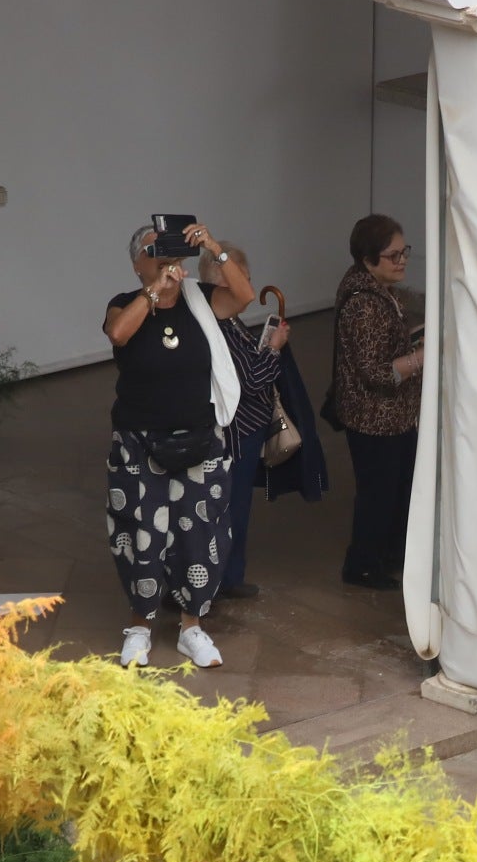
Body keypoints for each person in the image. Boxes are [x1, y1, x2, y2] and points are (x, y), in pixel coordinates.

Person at [102, 219, 255, 669]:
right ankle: (140, 627)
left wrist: (214, 249)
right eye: (155, 251)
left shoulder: (201, 302)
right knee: (140, 533)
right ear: (137, 265)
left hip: (199, 441)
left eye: (171, 251)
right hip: (139, 441)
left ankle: (192, 628)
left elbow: (244, 297)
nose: (167, 259)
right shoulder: (123, 304)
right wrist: (154, 293)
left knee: (199, 533)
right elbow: (118, 334)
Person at [197, 241, 303, 603]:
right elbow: (252, 379)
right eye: (243, 277)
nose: (250, 284)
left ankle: (226, 576)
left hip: (242, 431)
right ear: (223, 282)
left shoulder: (223, 318)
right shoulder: (221, 324)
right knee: (231, 509)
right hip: (238, 433)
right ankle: (223, 580)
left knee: (231, 507)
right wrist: (274, 347)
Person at [329, 214, 424, 589]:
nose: (402, 261)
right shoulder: (363, 304)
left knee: (398, 487)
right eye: (393, 255)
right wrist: (423, 356)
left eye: (405, 252)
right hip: (375, 419)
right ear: (368, 260)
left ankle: (391, 554)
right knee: (378, 495)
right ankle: (363, 565)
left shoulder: (375, 288)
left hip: (392, 416)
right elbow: (377, 373)